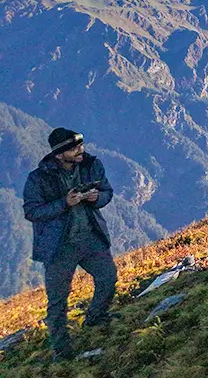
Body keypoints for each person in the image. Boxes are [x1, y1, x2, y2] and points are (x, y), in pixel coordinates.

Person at [24, 128, 118, 361]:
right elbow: (32, 211)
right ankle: (61, 351)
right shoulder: (38, 178)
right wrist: (64, 203)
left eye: (81, 145)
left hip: (91, 237)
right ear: (59, 154)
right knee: (58, 300)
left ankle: (95, 318)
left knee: (108, 278)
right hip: (59, 247)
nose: (81, 150)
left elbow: (107, 191)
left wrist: (98, 198)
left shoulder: (91, 165)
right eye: (74, 148)